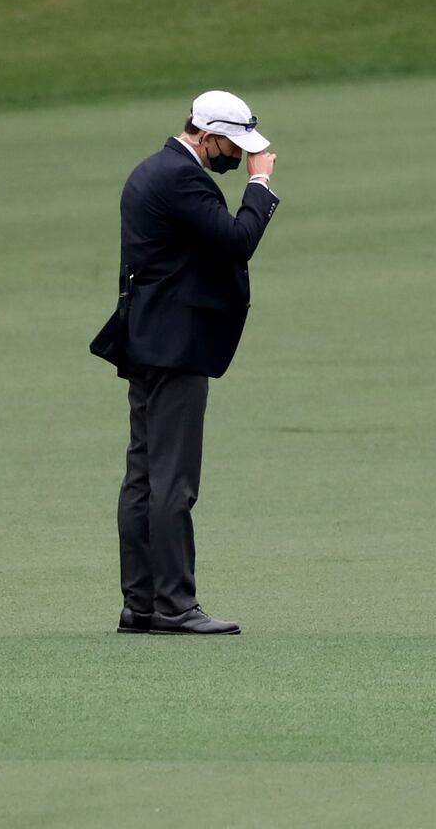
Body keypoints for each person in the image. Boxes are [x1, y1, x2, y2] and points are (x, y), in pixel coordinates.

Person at [90, 90, 280, 635]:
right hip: (175, 347)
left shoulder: (154, 170)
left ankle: (141, 605)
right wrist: (260, 185)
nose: (238, 157)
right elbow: (237, 241)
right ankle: (174, 605)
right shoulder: (181, 178)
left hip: (149, 341)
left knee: (144, 476)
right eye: (234, 147)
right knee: (172, 481)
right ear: (207, 134)